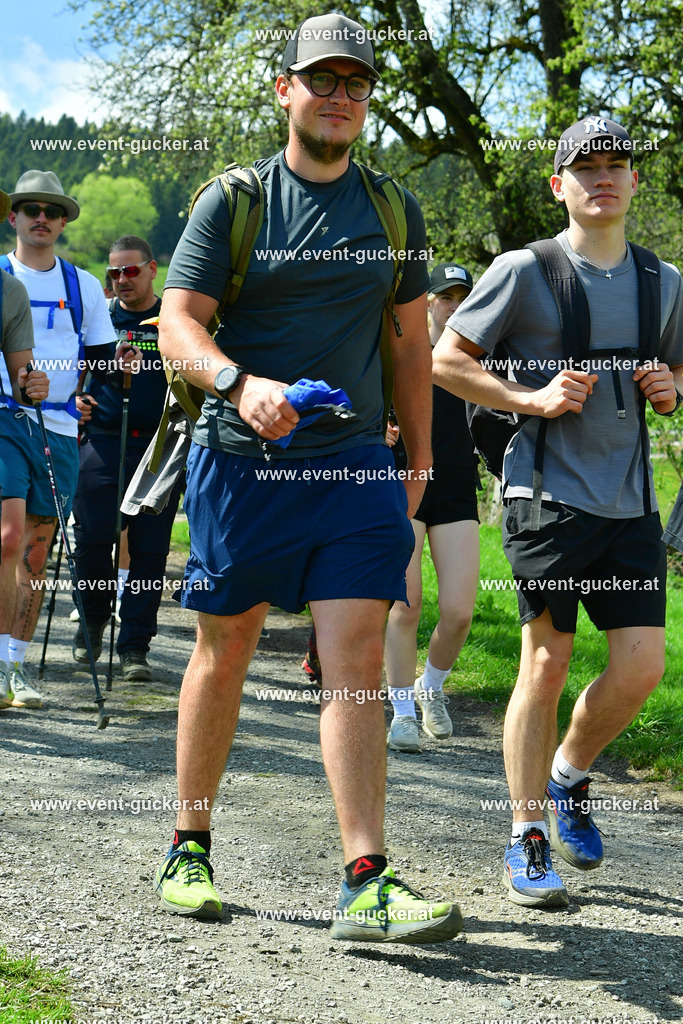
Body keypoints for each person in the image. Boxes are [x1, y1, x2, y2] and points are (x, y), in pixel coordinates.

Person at [153, 13, 463, 944]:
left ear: (367, 103)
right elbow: (177, 322)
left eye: (355, 84)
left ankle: (365, 876)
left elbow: (411, 340)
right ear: (285, 90)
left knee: (359, 657)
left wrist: (418, 458)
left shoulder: (395, 209)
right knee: (226, 650)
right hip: (242, 466)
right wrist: (239, 384)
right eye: (321, 79)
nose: (338, 96)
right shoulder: (236, 199)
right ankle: (189, 844)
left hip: (354, 466)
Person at [433, 116, 683, 907]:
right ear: (557, 184)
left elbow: (679, 366)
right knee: (543, 662)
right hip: (543, 495)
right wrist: (528, 398)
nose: (602, 178)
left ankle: (568, 775)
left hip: (630, 501)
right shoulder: (523, 269)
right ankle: (525, 835)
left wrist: (673, 391)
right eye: (585, 168)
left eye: (616, 166)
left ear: (634, 182)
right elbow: (446, 361)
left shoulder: (662, 281)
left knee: (642, 666)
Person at [0, 170, 135, 709]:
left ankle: (16, 667)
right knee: (8, 538)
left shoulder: (80, 285)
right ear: (13, 217)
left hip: (58, 430)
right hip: (5, 417)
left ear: (62, 223)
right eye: (31, 208)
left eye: (51, 212)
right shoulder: (0, 277)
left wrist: (117, 368)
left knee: (35, 553)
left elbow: (101, 359)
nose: (41, 218)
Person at [71, 236, 182, 682]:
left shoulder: (172, 322)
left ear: (153, 269)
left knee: (151, 551)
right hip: (101, 440)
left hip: (158, 446)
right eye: (113, 273)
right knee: (95, 537)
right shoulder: (100, 318)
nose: (121, 280)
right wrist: (73, 402)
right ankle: (94, 619)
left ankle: (135, 645)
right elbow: (70, 374)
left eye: (131, 271)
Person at [385, 263, 480, 753]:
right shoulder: (402, 349)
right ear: (428, 302)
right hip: (404, 482)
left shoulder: (482, 356)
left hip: (458, 489)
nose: (456, 306)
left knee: (460, 611)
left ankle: (431, 686)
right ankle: (401, 712)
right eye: (447, 297)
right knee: (405, 605)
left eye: (465, 297)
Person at [0, 185, 50, 709]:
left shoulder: (8, 290)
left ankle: (0, 668)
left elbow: (22, 375)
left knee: (11, 538)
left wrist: (32, 383)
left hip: (3, 423)